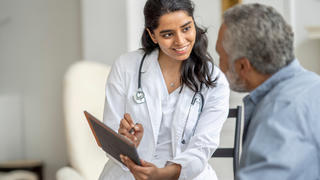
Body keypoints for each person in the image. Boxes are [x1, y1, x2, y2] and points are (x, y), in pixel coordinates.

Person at [99, 0, 230, 179]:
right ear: (153, 36)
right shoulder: (126, 67)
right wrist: (126, 145)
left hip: (184, 175)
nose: (180, 41)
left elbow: (202, 147)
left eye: (186, 28)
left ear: (193, 24)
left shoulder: (214, 80)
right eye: (168, 34)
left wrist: (163, 175)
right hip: (130, 172)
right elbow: (111, 135)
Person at [216, 3, 320, 180]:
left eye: (221, 56)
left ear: (242, 66)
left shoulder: (278, 115)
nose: (219, 66)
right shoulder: (313, 84)